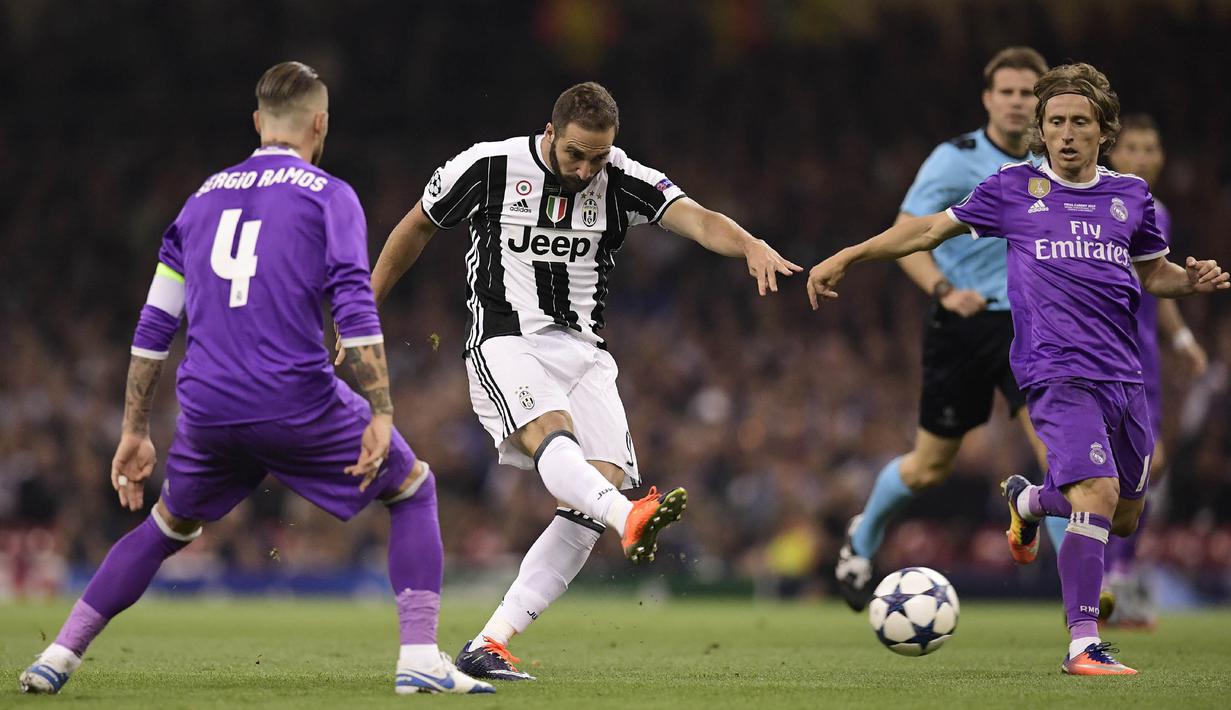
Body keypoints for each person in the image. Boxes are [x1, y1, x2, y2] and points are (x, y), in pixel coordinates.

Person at [19, 62, 493, 696]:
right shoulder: (329, 194)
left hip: (209, 408)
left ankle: (57, 656)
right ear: (319, 124)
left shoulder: (198, 202)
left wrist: (134, 429)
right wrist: (380, 410)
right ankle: (419, 658)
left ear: (256, 122)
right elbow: (353, 303)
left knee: (167, 526)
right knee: (412, 488)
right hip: (294, 396)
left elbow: (155, 326)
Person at [355, 81, 800, 681]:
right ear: (550, 134)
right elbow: (415, 227)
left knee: (598, 492)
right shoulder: (489, 166)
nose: (588, 167)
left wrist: (748, 244)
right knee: (559, 441)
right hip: (506, 340)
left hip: (585, 353)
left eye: (598, 155)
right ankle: (629, 517)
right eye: (576, 154)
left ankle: (489, 642)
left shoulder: (621, 176)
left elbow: (696, 218)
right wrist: (365, 307)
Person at [806, 63, 1227, 675]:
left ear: (1103, 131)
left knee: (1126, 512)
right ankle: (1084, 643)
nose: (1067, 133)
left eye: (1080, 122)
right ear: (1042, 129)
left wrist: (1191, 281)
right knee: (1097, 493)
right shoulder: (1012, 190)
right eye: (1055, 121)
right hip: (1053, 371)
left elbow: (1152, 272)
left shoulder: (1130, 198)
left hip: (1123, 376)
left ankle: (1030, 503)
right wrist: (849, 255)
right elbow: (925, 229)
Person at [834, 47, 1053, 611]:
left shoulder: (1058, 165)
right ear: (988, 99)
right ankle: (861, 540)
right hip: (963, 324)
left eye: (1028, 92)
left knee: (1057, 457)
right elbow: (907, 236)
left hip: (1032, 326)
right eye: (1006, 91)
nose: (1016, 102)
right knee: (929, 468)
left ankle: (1085, 597)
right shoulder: (954, 160)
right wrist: (943, 290)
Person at [1041, 114, 1209, 629]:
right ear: (1116, 152)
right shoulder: (1092, 207)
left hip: (1144, 365)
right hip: (1095, 359)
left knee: (1144, 475)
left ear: (1160, 157)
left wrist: (1180, 337)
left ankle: (1034, 503)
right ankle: (1113, 578)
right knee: (1111, 477)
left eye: (1150, 147)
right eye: (1132, 146)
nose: (1141, 156)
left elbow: (1157, 278)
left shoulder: (1152, 211)